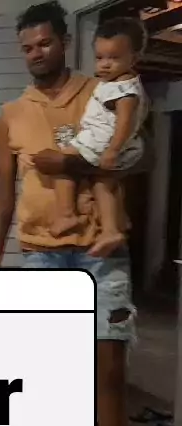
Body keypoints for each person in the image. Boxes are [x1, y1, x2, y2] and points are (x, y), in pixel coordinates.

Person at [0, 1, 146, 426]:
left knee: (109, 367)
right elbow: (4, 190)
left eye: (45, 43)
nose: (36, 53)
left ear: (66, 42)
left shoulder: (106, 90)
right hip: (40, 253)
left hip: (101, 249)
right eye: (28, 48)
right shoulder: (12, 113)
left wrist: (69, 163)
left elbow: (138, 154)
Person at [46, 17, 150, 258]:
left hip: (103, 140)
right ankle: (111, 230)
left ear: (134, 58)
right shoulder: (117, 83)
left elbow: (125, 121)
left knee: (61, 163)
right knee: (103, 184)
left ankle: (66, 214)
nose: (105, 65)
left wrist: (113, 149)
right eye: (100, 58)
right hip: (106, 139)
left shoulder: (123, 88)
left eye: (114, 58)